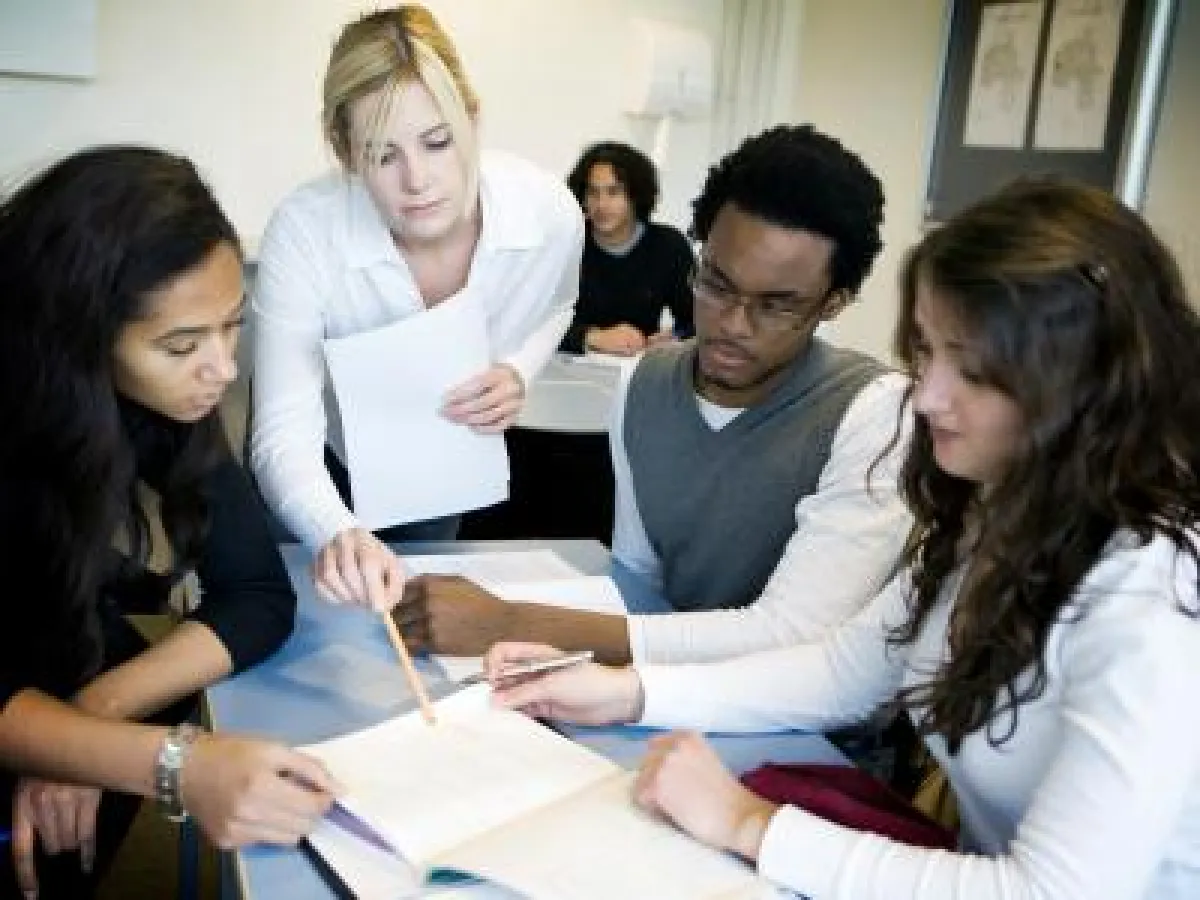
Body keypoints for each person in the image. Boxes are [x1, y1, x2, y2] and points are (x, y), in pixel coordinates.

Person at [484, 178, 1200, 899]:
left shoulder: (1151, 593)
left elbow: (1050, 893)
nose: (927, 397)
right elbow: (845, 670)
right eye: (926, 353)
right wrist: (622, 693)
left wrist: (747, 823)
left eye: (973, 372)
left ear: (1083, 389)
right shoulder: (1002, 510)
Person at [397, 125, 912, 665]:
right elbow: (640, 584)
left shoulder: (875, 415)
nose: (733, 323)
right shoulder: (643, 384)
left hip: (809, 735)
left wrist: (512, 623)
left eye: (777, 305)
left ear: (834, 303)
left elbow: (795, 637)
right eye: (715, 283)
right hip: (666, 693)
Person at [0, 146, 339, 900]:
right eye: (182, 346)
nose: (222, 369)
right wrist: (174, 762)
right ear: (77, 338)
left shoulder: (172, 402)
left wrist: (90, 724)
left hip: (65, 682)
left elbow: (255, 590)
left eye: (233, 326)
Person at [251, 4, 584, 610]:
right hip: (318, 474)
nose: (418, 180)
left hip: (441, 474)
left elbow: (558, 304)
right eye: (383, 155)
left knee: (409, 642)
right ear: (346, 154)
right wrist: (337, 532)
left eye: (437, 142)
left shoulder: (549, 213)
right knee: (307, 631)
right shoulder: (306, 228)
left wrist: (517, 370)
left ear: (473, 119)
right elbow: (281, 430)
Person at [560, 141, 695, 355]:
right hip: (571, 368)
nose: (601, 204)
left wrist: (676, 338)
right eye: (593, 193)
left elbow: (697, 321)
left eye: (613, 192)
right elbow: (536, 322)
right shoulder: (567, 243)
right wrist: (592, 336)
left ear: (636, 195)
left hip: (639, 367)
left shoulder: (668, 246)